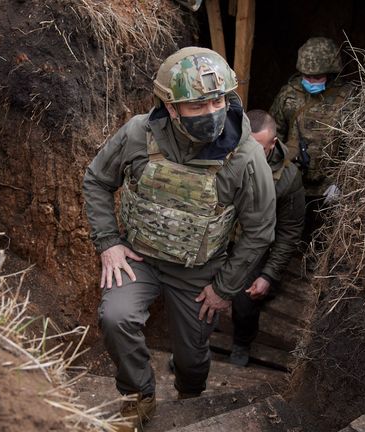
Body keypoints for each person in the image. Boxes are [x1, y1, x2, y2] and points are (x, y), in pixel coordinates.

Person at [82, 47, 276, 430]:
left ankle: (190, 397)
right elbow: (98, 180)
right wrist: (107, 241)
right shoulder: (139, 132)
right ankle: (139, 396)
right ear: (171, 108)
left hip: (198, 272)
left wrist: (224, 288)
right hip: (140, 257)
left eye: (218, 100)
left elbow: (259, 231)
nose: (211, 113)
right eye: (196, 106)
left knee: (191, 356)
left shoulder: (246, 156)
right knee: (115, 317)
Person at [229, 110, 306, 367]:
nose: (249, 152)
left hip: (256, 247)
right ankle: (191, 351)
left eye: (258, 148)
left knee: (245, 297)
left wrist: (269, 275)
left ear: (273, 144)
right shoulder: (224, 154)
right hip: (222, 237)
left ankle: (241, 341)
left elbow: (289, 232)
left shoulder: (288, 178)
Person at [270, 37, 354, 201]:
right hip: (291, 179)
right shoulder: (289, 94)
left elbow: (353, 145)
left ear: (330, 75)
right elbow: (273, 134)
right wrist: (273, 172)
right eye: (306, 77)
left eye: (317, 77)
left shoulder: (348, 98)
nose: (310, 81)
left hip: (328, 184)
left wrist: (342, 181)